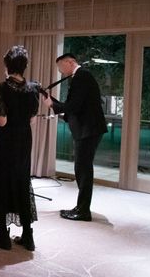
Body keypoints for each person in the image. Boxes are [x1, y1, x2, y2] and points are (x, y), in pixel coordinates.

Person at [0, 46, 40, 251]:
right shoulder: (33, 88)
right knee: (22, 182)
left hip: (6, 140)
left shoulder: (1, 88)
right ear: (24, 66)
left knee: (1, 182)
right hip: (24, 140)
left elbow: (2, 121)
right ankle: (28, 236)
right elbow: (32, 120)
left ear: (7, 65)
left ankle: (3, 237)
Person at [44, 53, 107, 222]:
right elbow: (76, 107)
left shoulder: (82, 76)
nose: (60, 71)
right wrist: (54, 104)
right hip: (88, 129)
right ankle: (81, 208)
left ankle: (83, 211)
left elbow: (73, 106)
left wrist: (53, 105)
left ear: (70, 62)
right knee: (82, 169)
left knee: (83, 170)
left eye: (61, 67)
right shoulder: (81, 77)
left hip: (88, 130)